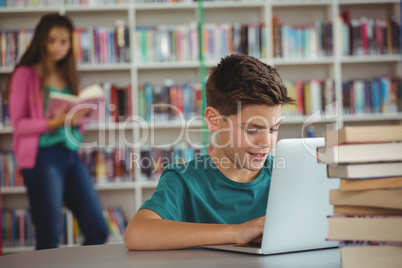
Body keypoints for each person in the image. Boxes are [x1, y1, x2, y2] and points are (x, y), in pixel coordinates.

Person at [124, 54, 294, 250]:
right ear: (213, 120)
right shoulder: (183, 181)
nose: (267, 142)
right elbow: (137, 234)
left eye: (273, 129)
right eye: (252, 129)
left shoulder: (285, 176)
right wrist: (236, 232)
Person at [8, 14, 109, 250]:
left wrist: (78, 118)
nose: (57, 47)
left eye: (64, 42)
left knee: (98, 230)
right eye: (52, 40)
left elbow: (74, 125)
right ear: (41, 40)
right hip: (41, 156)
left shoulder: (67, 75)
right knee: (49, 237)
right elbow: (18, 123)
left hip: (68, 154)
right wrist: (52, 123)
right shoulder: (25, 74)